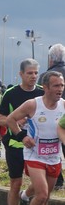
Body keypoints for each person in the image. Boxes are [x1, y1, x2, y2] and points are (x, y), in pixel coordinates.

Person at [6, 71, 65, 205]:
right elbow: (10, 120)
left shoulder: (64, 105)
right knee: (42, 194)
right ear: (45, 87)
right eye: (56, 85)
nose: (60, 89)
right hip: (34, 155)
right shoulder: (32, 105)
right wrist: (23, 137)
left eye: (62, 85)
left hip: (54, 156)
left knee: (46, 198)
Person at [0, 59, 44, 205]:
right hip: (15, 143)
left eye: (36, 73)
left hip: (36, 144)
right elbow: (1, 118)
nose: (33, 76)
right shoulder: (10, 93)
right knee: (15, 182)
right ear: (21, 74)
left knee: (42, 183)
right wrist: (16, 120)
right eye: (29, 73)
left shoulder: (42, 92)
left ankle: (25, 197)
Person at [39, 43, 65, 190]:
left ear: (51, 59)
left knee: (51, 149)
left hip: (51, 117)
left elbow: (39, 98)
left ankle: (58, 180)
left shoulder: (46, 77)